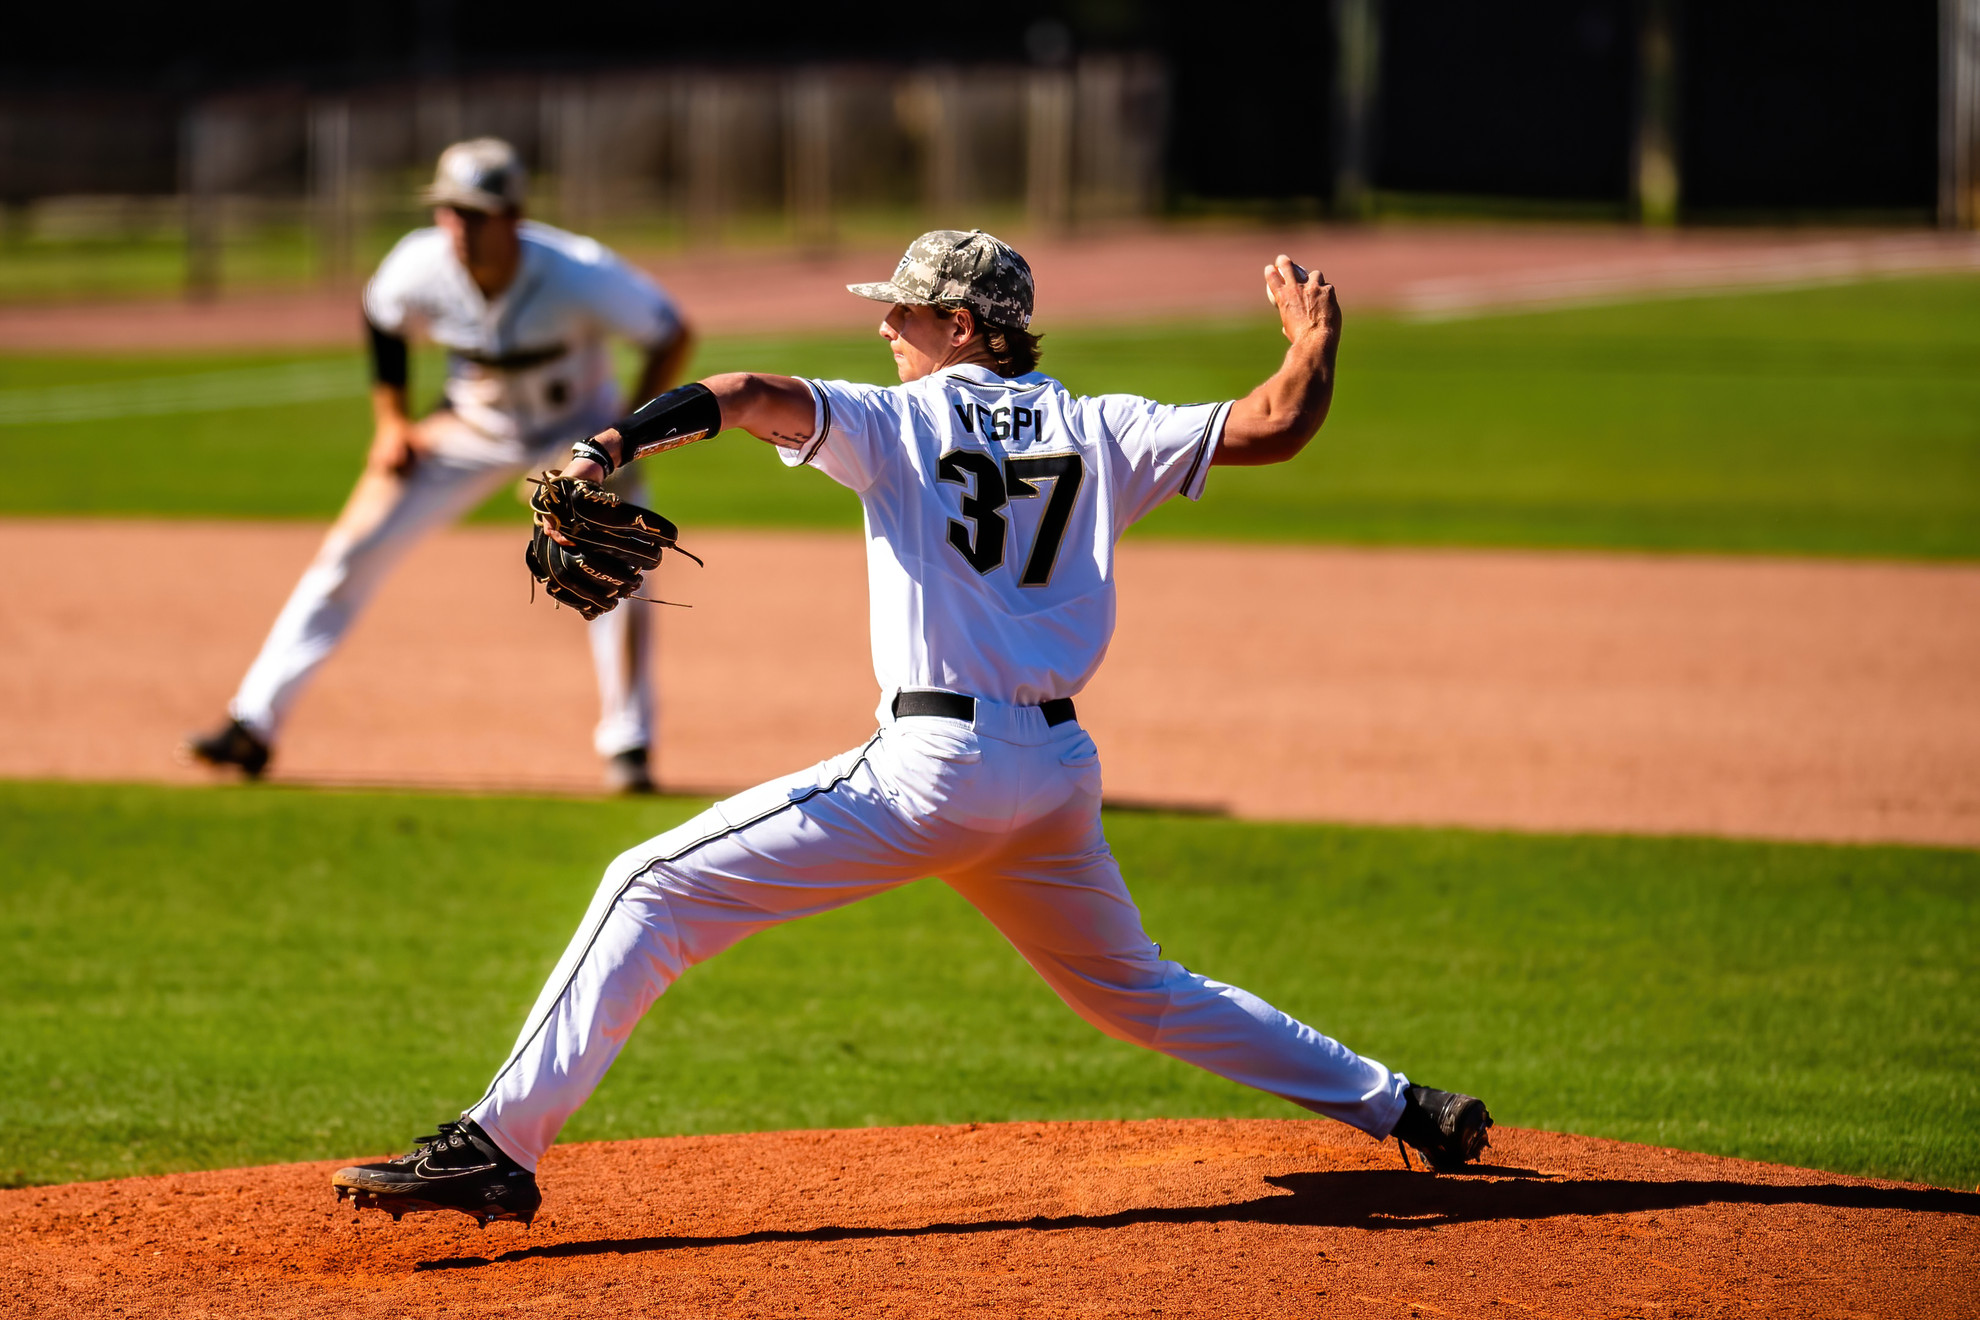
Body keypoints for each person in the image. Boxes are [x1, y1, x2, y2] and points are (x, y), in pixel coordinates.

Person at [331, 229, 1492, 1226]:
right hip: (1056, 778)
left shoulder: (900, 422)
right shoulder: (1103, 427)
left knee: (649, 886)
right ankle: (1403, 1106)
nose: (885, 325)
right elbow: (1279, 425)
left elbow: (736, 395)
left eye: (901, 310)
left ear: (959, 323)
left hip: (933, 771)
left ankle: (498, 1148)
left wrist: (607, 446)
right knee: (1136, 990)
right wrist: (1313, 342)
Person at [181, 138, 693, 794]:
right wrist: (392, 422)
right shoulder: (418, 264)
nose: (459, 227)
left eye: (475, 213)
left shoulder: (579, 271)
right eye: (449, 211)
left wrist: (622, 435)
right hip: (469, 426)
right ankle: (252, 724)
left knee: (613, 562)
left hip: (574, 437)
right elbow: (382, 318)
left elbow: (670, 332)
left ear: (513, 215)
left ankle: (629, 745)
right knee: (349, 550)